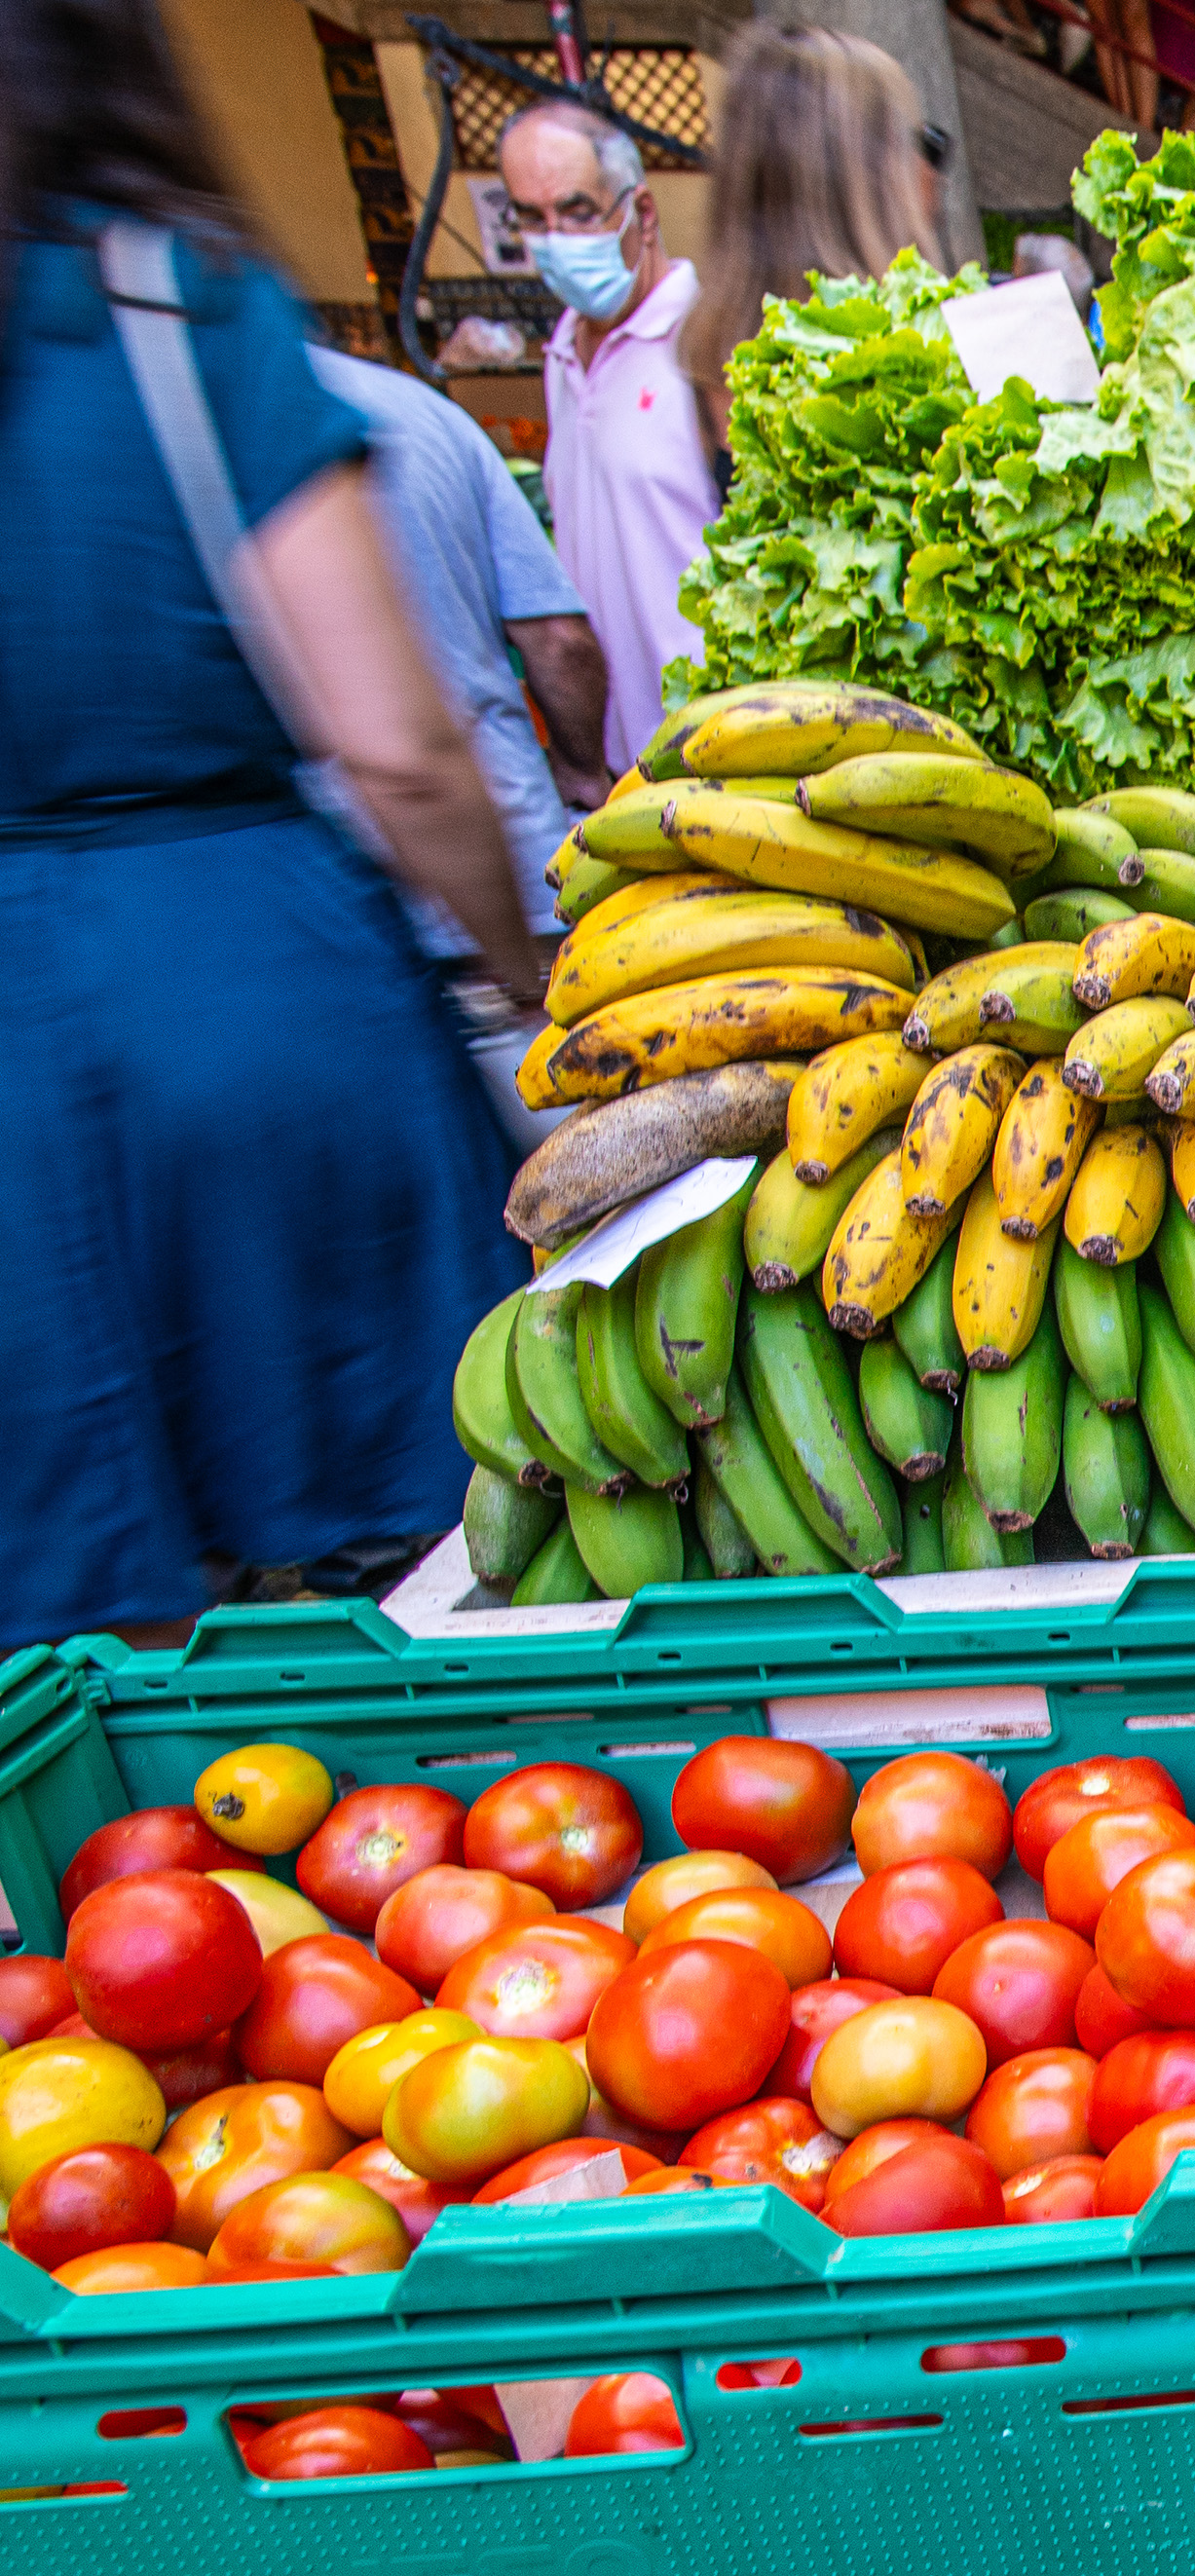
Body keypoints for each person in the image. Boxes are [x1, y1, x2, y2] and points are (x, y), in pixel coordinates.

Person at [2, 0, 530, 1642]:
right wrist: (524, 966)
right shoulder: (173, 306)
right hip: (241, 981)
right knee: (422, 1551)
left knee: (72, 1611)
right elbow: (397, 747)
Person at [307, 343, 607, 1126]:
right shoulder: (424, 414)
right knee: (574, 1207)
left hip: (331, 933)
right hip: (508, 903)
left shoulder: (165, 429)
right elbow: (557, 638)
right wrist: (581, 771)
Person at [499, 92, 711, 769]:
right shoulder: (561, 355)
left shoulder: (707, 343)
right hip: (623, 770)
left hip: (723, 761)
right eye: (533, 218)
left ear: (641, 213)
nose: (556, 240)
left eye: (578, 211)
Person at [682, 26, 946, 445]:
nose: (931, 169)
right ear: (873, 181)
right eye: (922, 144)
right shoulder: (932, 361)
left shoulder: (714, 361)